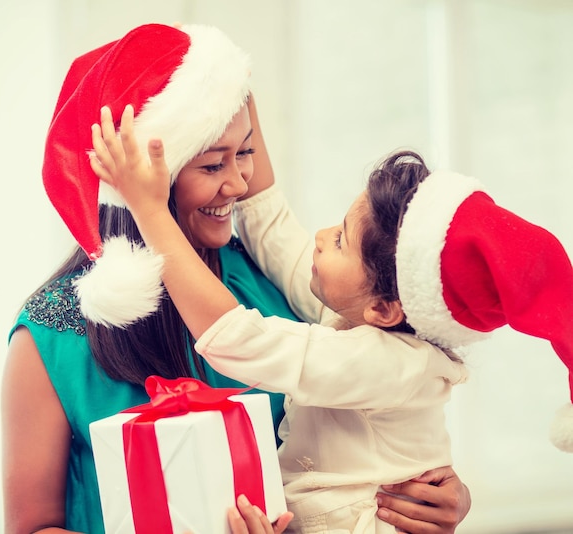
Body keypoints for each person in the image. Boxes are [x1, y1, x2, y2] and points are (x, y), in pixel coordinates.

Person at [2, 23, 472, 534]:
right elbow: (31, 526)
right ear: (143, 184)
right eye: (211, 165)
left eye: (245, 152)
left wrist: (437, 492)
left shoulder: (270, 284)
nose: (240, 181)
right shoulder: (49, 335)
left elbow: (367, 438)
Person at [90, 103, 573, 533]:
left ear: (385, 309)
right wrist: (232, 86)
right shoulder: (368, 314)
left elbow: (239, 339)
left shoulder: (388, 362)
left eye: (340, 239)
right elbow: (269, 222)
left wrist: (149, 209)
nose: (320, 236)